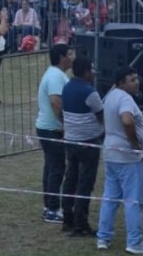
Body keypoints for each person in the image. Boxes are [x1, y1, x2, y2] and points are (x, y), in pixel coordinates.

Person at [96, 67, 143, 254]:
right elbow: (127, 120)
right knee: (133, 200)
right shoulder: (125, 98)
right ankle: (134, 241)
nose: (136, 82)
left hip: (111, 153)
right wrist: (135, 143)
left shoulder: (111, 95)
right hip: (127, 157)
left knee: (110, 198)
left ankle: (103, 237)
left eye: (137, 78)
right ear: (121, 82)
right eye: (132, 79)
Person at [60, 56, 103, 236]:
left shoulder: (66, 88)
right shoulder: (90, 92)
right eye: (91, 70)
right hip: (88, 142)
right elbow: (101, 116)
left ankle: (68, 219)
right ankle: (81, 224)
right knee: (85, 184)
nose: (93, 73)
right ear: (86, 72)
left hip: (71, 140)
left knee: (70, 180)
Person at [35, 44, 72, 223]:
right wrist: (65, 124)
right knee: (56, 168)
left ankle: (48, 205)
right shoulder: (56, 76)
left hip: (46, 127)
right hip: (52, 129)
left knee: (51, 167)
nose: (71, 58)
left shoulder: (54, 74)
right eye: (69, 54)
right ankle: (52, 209)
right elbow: (55, 102)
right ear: (61, 57)